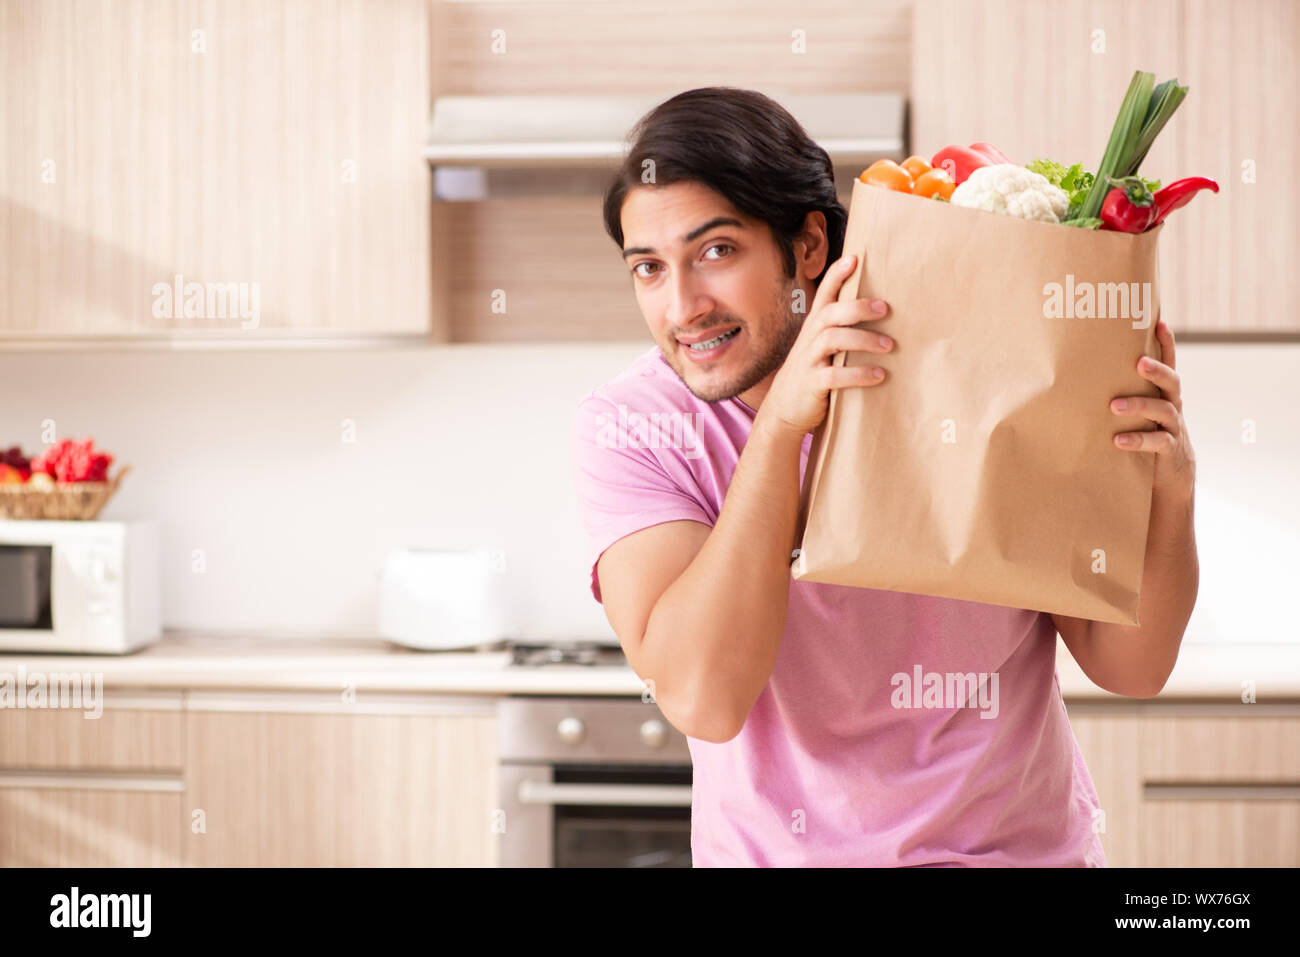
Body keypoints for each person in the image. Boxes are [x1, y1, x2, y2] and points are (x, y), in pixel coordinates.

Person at [570, 86, 1107, 867]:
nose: (683, 305)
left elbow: (1131, 662)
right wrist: (782, 426)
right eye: (649, 268)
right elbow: (704, 699)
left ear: (810, 245)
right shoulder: (634, 425)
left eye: (717, 251)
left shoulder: (969, 369)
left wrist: (1170, 480)